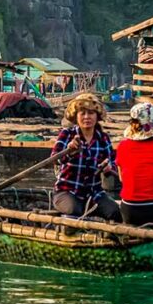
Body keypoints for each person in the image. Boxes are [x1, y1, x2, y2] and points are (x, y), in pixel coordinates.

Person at [51, 93, 120, 221]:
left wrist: (109, 168)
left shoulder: (103, 138)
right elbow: (55, 159)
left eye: (91, 113)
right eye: (82, 113)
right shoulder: (67, 134)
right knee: (73, 211)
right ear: (76, 117)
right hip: (67, 191)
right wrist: (69, 152)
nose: (87, 117)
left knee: (115, 212)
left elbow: (114, 164)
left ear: (97, 116)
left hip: (94, 194)